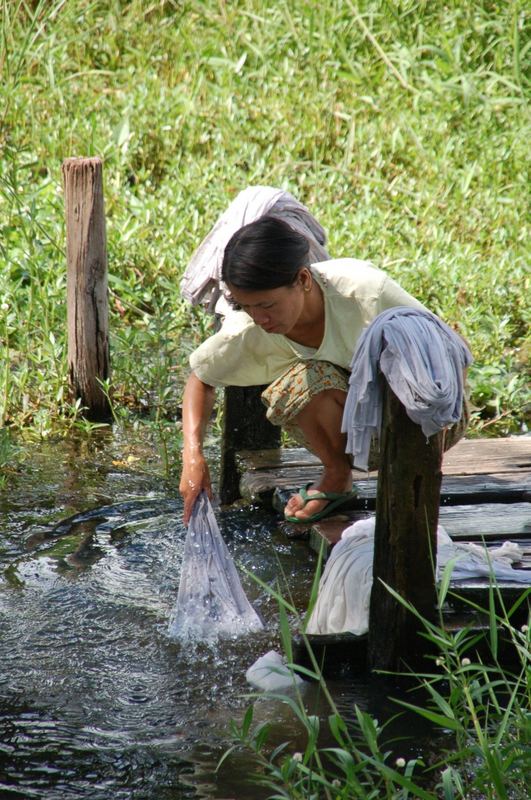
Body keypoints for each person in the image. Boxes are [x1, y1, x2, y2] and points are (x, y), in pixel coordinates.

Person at [179, 216, 459, 524]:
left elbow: (443, 347)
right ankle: (337, 476)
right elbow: (201, 378)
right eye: (247, 307)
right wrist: (193, 457)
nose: (260, 318)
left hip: (428, 423)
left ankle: (411, 487)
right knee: (300, 383)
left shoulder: (365, 293)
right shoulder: (248, 331)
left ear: (303, 279)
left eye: (268, 305)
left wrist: (429, 408)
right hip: (359, 438)